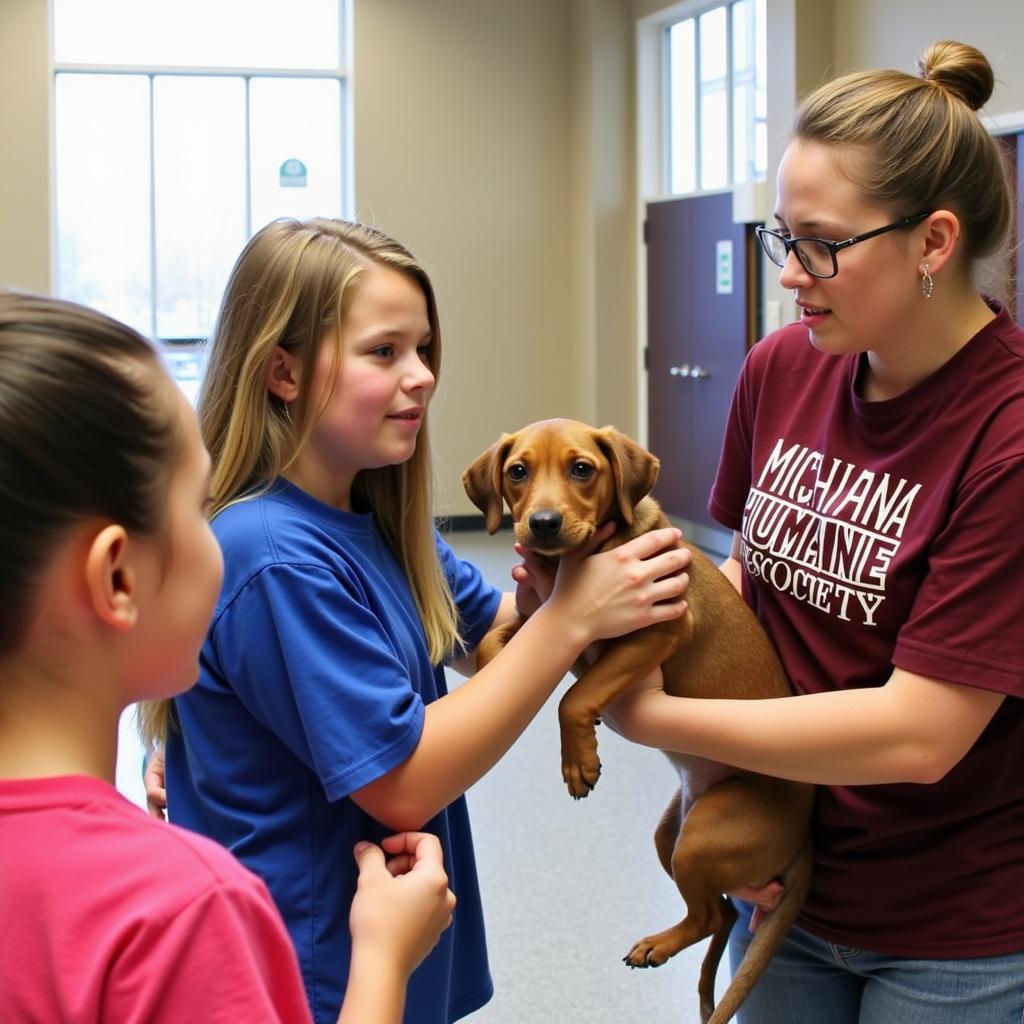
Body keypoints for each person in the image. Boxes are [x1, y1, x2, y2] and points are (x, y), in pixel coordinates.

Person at [138, 217, 689, 1024]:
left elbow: (487, 631)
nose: (423, 375)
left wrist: (583, 587)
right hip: (315, 963)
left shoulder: (374, 515)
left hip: (392, 938)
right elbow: (402, 782)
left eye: (424, 349)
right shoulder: (273, 554)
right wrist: (570, 622)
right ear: (283, 372)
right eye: (384, 352)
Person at [604, 40, 1024, 1023]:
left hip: (946, 927)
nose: (790, 275)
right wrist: (728, 809)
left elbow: (919, 734)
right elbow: (747, 596)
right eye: (779, 238)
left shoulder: (1005, 434)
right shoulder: (781, 369)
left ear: (932, 242)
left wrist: (651, 717)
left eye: (820, 244)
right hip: (781, 875)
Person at [0, 290, 459, 1023]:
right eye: (200, 506)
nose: (224, 537)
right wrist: (383, 959)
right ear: (118, 578)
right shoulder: (180, 910)